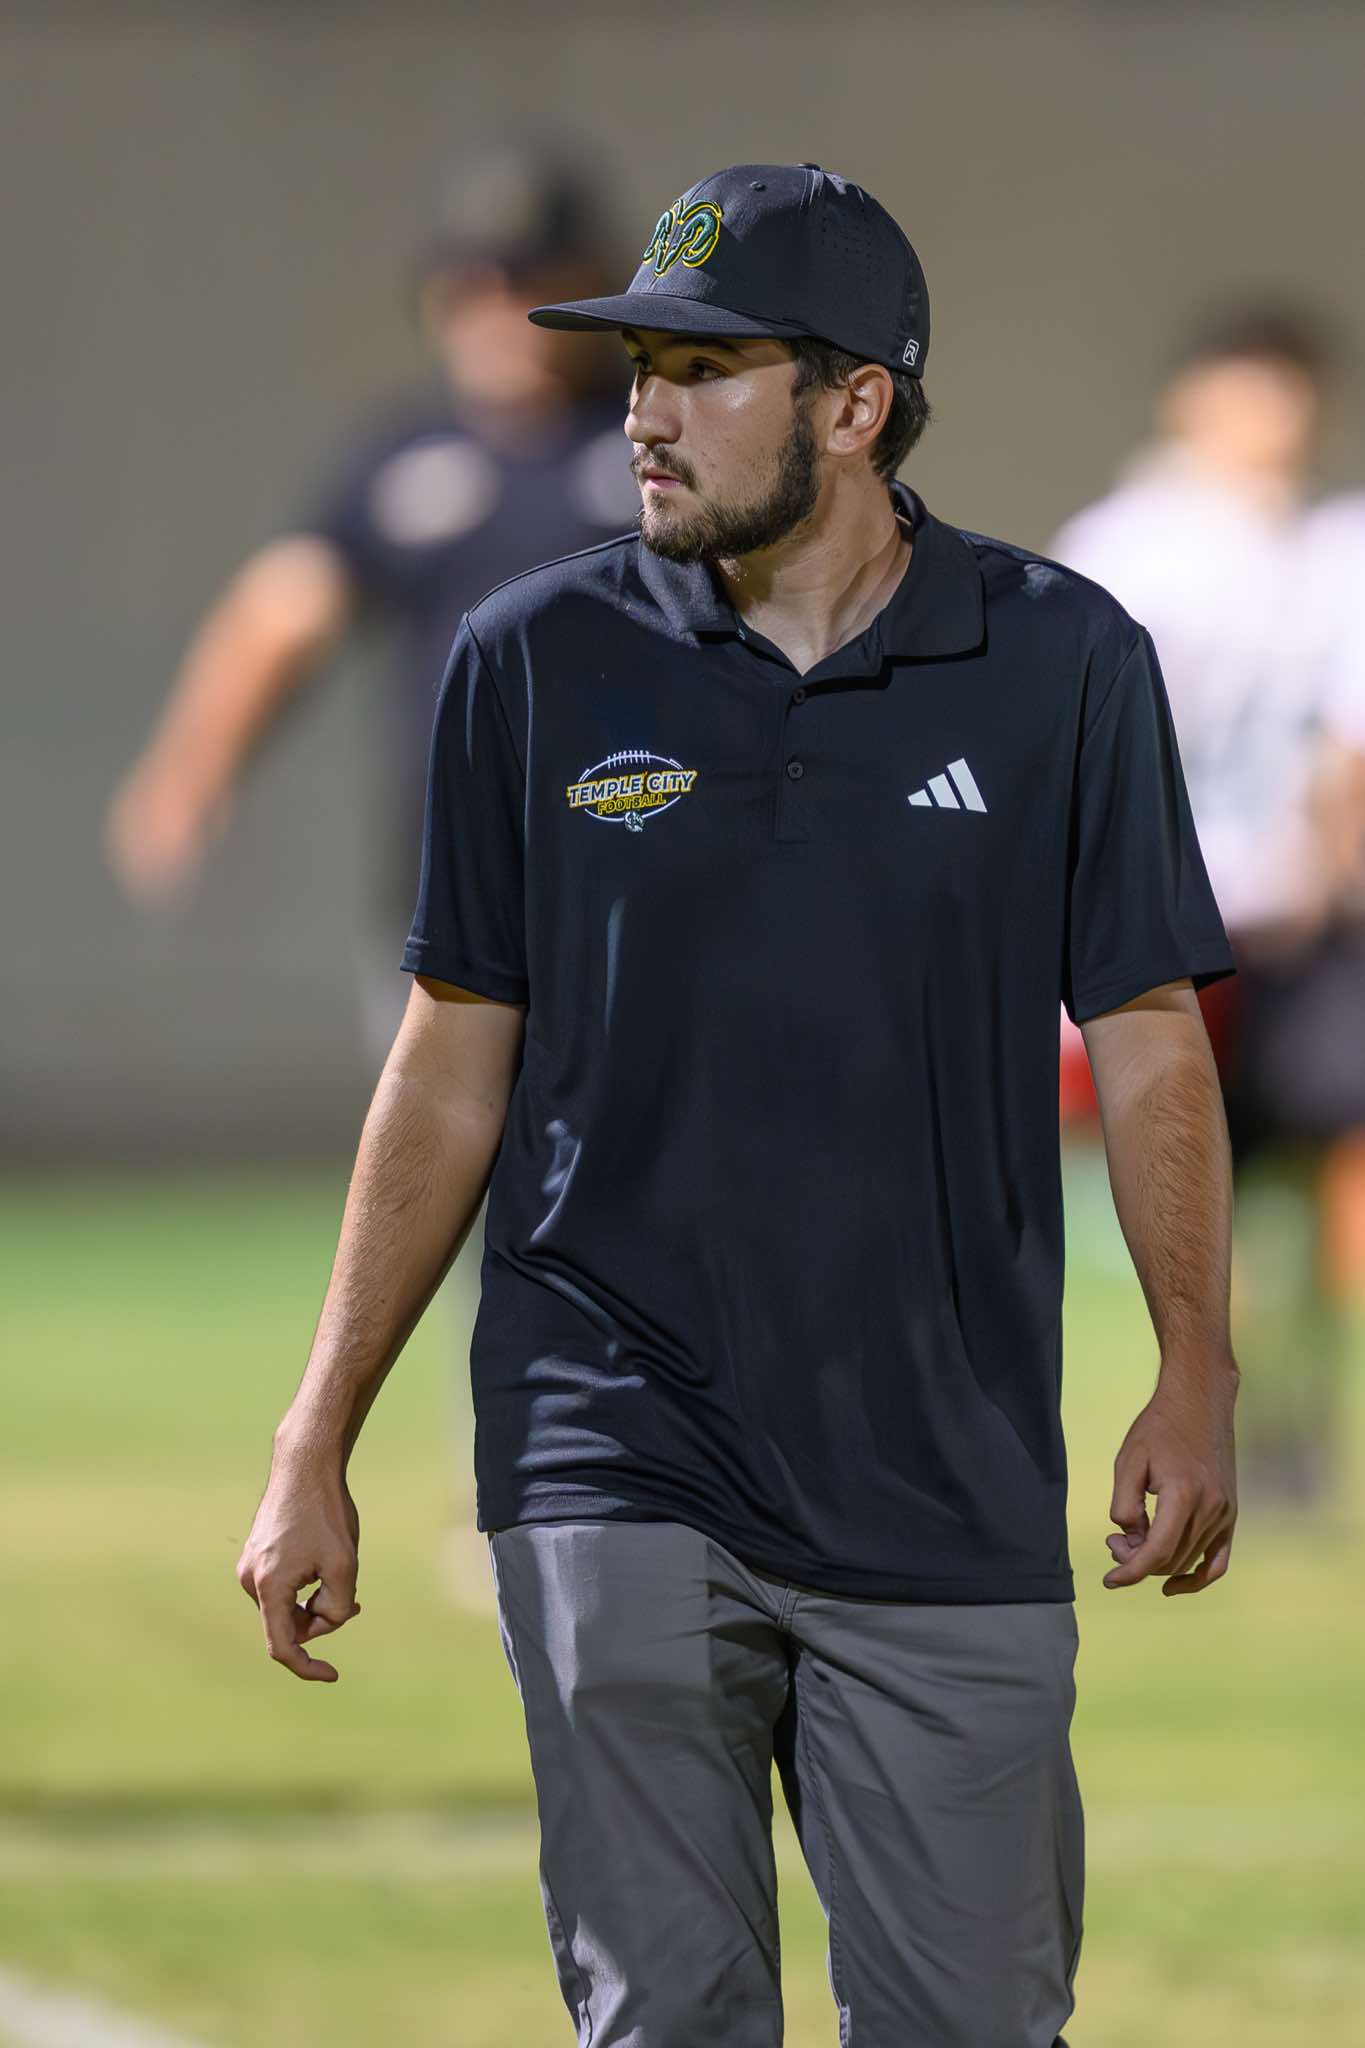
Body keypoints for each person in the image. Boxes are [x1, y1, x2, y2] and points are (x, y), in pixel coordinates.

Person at [236, 163, 1241, 2045]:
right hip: (606, 1445)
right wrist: (318, 1431)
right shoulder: (528, 662)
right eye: (639, 368)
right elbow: (447, 1069)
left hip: (945, 1479)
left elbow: (1152, 1033)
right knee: (667, 2020)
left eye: (704, 371)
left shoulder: (1062, 660)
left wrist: (1197, 1364)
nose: (644, 411)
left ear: (856, 403)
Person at [107, 140, 639, 1608]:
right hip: (449, 913)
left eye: (530, 280)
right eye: (474, 282)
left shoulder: (649, 436)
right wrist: (190, 769)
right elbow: (284, 610)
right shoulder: (407, 463)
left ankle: (642, 1478)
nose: (498, 309)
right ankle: (531, 1482)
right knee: (476, 1195)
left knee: (626, 1188)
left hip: (645, 894)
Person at [1050, 309, 1365, 1506]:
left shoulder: (1334, 548)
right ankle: (1176, 1399)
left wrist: (1332, 870)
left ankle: (1289, 1424)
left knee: (1300, 1170)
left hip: (1292, 921)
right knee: (1170, 1164)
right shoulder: (1129, 547)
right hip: (1161, 919)